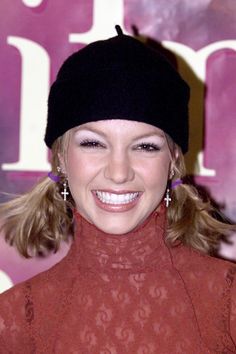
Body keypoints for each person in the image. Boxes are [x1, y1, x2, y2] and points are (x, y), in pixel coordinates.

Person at [0, 25, 236, 353]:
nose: (119, 172)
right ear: (61, 159)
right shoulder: (15, 319)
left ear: (173, 162)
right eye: (93, 143)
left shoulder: (228, 304)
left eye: (146, 147)